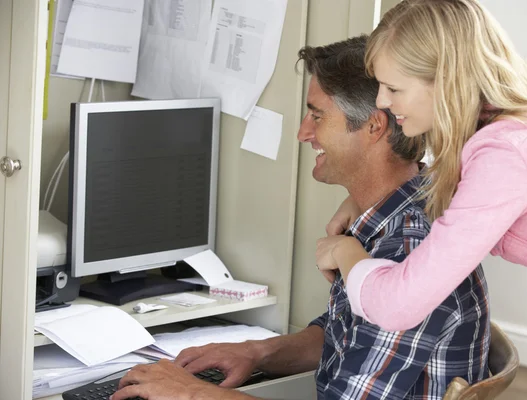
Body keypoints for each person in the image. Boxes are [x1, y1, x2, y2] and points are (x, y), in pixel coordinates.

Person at [111, 35, 491, 400]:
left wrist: (189, 392)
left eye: (317, 115)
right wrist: (257, 352)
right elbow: (347, 336)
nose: (303, 133)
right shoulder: (396, 214)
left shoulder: (404, 254)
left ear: (374, 126)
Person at [315, 0, 527, 371]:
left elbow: (397, 305)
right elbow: (476, 185)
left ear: (447, 82)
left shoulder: (507, 154)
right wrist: (362, 201)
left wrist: (344, 251)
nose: (382, 102)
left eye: (393, 88)